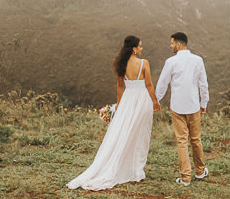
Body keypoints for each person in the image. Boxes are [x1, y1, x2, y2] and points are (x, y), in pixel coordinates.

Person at [67, 35, 162, 190]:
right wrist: (155, 101)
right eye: (140, 46)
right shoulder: (144, 63)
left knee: (123, 133)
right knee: (140, 135)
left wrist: (119, 104)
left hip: (127, 100)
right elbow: (149, 84)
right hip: (142, 100)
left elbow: (120, 86)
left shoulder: (121, 64)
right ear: (134, 49)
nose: (141, 48)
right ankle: (136, 171)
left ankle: (129, 168)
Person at [154, 31, 209, 186]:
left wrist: (156, 101)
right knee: (196, 139)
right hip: (194, 106)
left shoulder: (170, 62)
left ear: (178, 44)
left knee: (182, 141)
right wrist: (204, 103)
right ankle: (200, 171)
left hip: (178, 107)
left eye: (172, 43)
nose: (170, 46)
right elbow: (203, 84)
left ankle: (185, 178)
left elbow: (162, 84)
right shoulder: (198, 60)